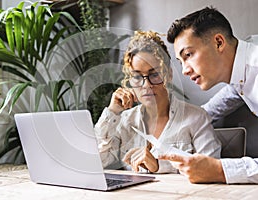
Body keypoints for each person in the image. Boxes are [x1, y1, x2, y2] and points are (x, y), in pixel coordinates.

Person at [94, 30, 221, 174]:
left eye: (154, 74)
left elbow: (211, 171)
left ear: (169, 74)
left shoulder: (197, 118)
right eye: (137, 77)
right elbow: (97, 162)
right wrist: (112, 112)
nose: (146, 85)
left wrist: (159, 165)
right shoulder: (123, 121)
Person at [159, 6, 258, 184]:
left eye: (188, 55)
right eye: (180, 61)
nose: (184, 71)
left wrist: (220, 170)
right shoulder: (239, 79)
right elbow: (203, 114)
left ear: (219, 42)